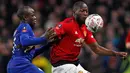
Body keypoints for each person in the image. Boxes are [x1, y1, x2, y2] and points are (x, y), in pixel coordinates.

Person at [50, 1, 128, 73]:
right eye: (82, 11)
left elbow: (97, 49)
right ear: (74, 13)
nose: (85, 13)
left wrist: (115, 53)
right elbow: (49, 36)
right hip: (61, 66)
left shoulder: (85, 29)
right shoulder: (67, 24)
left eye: (86, 11)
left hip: (74, 64)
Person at [7, 6, 56, 73]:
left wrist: (48, 45)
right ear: (25, 17)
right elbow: (24, 42)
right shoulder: (25, 26)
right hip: (21, 65)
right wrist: (44, 38)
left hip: (14, 66)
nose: (35, 17)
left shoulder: (20, 29)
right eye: (32, 15)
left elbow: (31, 54)